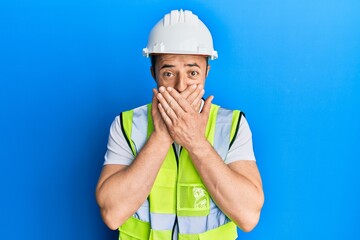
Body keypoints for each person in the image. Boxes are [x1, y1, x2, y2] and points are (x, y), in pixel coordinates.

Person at [96, 9, 264, 240]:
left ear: (207, 71)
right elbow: (112, 214)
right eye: (168, 73)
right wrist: (162, 135)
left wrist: (195, 142)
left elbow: (248, 216)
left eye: (192, 72)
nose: (181, 86)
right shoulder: (126, 125)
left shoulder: (232, 125)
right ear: (153, 73)